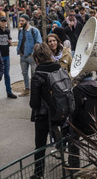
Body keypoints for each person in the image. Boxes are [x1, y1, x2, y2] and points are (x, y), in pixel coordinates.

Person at [29, 43, 64, 179]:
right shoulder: (59, 68)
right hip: (60, 111)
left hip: (43, 116)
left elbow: (34, 103)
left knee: (40, 146)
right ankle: (69, 165)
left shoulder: (37, 75)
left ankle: (38, 174)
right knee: (63, 139)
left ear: (37, 59)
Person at [0, 16, 17, 99]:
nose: (3, 23)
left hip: (6, 55)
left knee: (7, 75)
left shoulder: (7, 31)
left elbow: (9, 39)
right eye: (2, 21)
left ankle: (9, 92)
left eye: (5, 21)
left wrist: (9, 41)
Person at [17, 14, 42, 96]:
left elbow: (38, 42)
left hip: (31, 56)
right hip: (23, 56)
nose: (21, 22)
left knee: (34, 73)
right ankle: (27, 89)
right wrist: (19, 51)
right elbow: (20, 41)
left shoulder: (34, 30)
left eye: (22, 21)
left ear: (27, 21)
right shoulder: (21, 31)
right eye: (20, 21)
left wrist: (33, 53)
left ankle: (35, 90)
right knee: (24, 73)